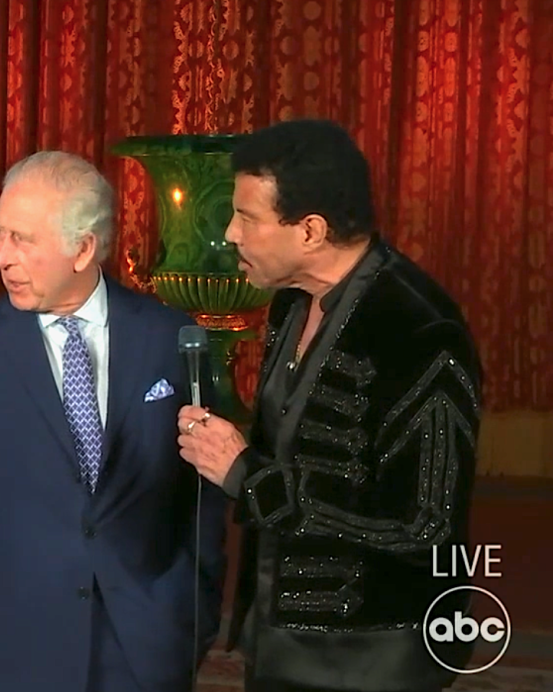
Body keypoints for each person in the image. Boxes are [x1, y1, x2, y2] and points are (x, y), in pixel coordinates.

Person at [176, 119, 483, 692]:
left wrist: (250, 480)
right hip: (276, 641)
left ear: (311, 230)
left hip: (368, 658)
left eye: (246, 217)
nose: (229, 234)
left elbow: (426, 527)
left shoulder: (419, 329)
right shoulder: (289, 303)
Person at [0, 150, 228, 692]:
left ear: (83, 248)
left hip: (142, 645)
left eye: (22, 239)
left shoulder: (170, 341)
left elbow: (200, 501)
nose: (1, 258)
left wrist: (192, 616)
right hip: (10, 649)